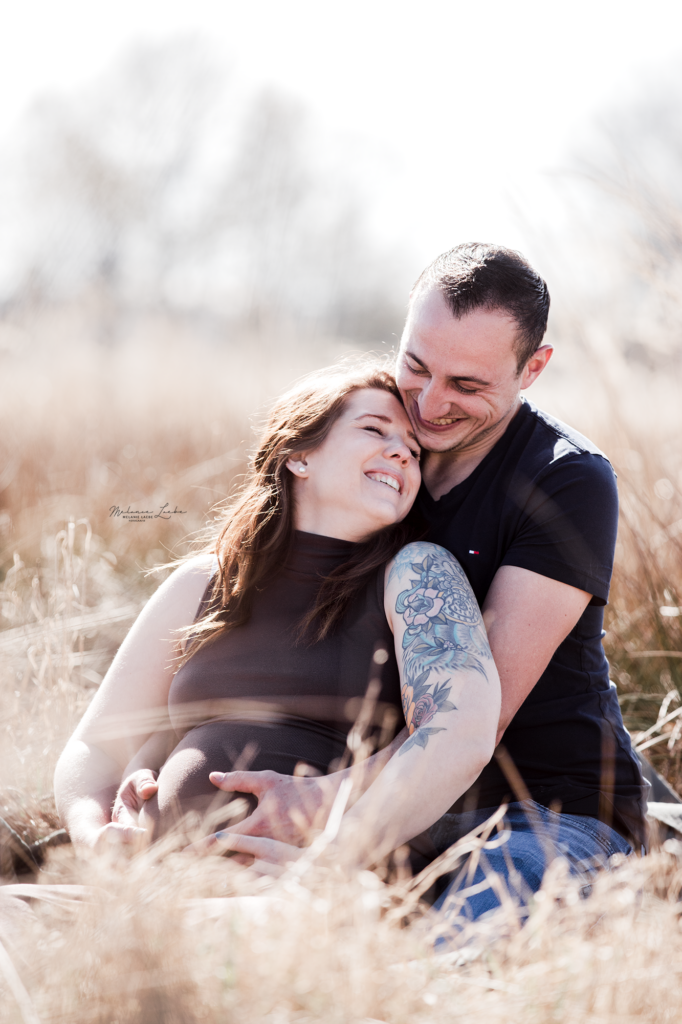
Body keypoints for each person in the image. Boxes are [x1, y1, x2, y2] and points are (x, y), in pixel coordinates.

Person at [159, 244, 647, 922]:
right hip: (399, 802)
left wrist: (326, 804)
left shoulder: (565, 478)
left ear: (533, 368)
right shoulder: (381, 462)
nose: (429, 403)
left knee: (459, 940)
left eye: (467, 385)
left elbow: (476, 718)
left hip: (543, 806)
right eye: (415, 364)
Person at [53, 363, 501, 872]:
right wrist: (93, 838)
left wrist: (330, 862)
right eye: (375, 430)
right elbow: (95, 746)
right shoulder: (206, 581)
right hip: (156, 883)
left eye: (415, 452)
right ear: (299, 455)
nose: (402, 452)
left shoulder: (418, 574)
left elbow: (461, 733)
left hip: (307, 886)